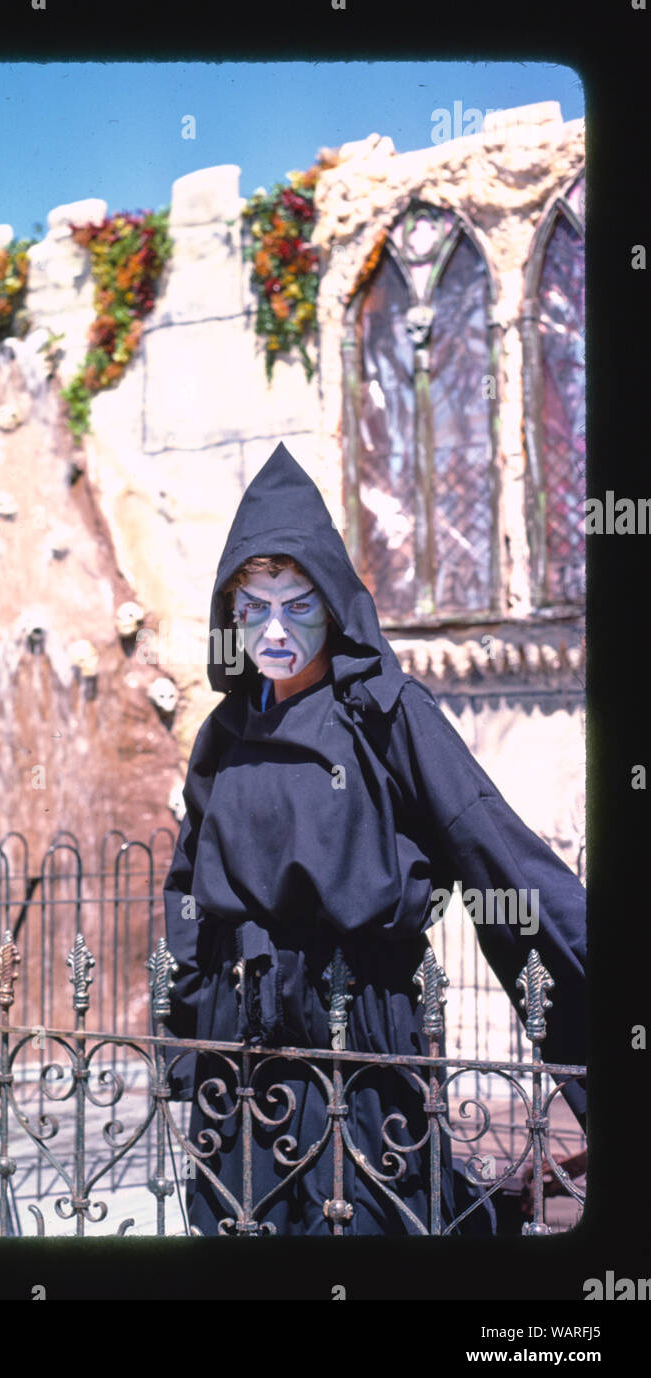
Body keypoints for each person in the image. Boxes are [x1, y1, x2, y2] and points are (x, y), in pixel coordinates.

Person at [163, 441, 587, 1236]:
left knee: (360, 1222)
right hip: (244, 1037)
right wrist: (187, 1033)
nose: (275, 629)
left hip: (356, 1027)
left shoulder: (388, 715)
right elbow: (187, 889)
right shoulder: (224, 733)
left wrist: (590, 957)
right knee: (244, 1224)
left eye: (298, 604)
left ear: (333, 604)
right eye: (254, 607)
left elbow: (488, 843)